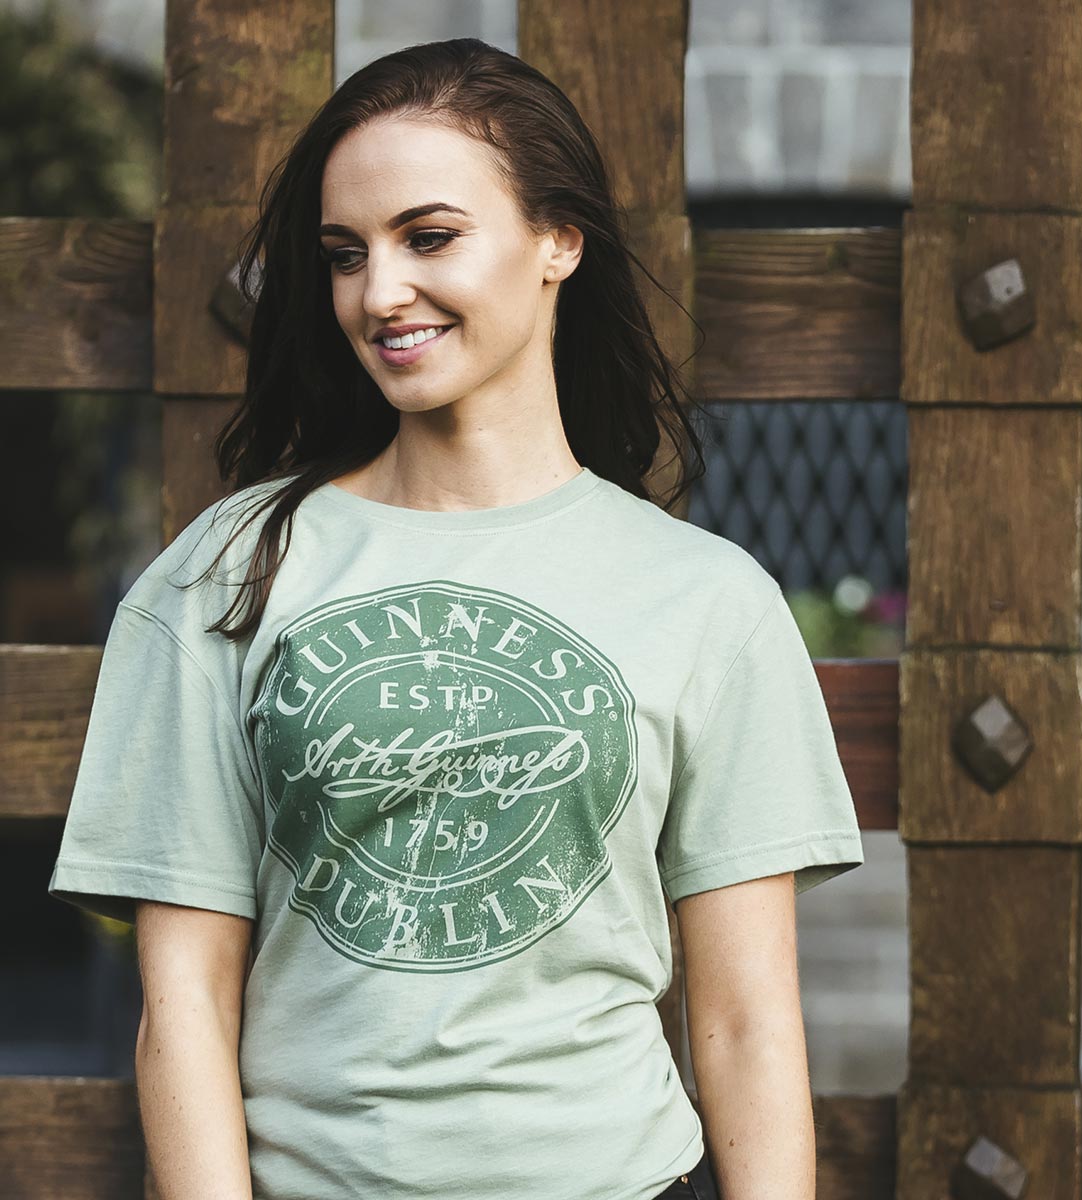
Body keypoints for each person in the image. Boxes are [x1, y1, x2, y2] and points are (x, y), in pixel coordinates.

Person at [47, 37, 865, 1200]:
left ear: (558, 242)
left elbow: (744, 1023)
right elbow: (182, 1008)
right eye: (345, 254)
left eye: (428, 237)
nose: (378, 293)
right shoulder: (224, 578)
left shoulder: (710, 598)